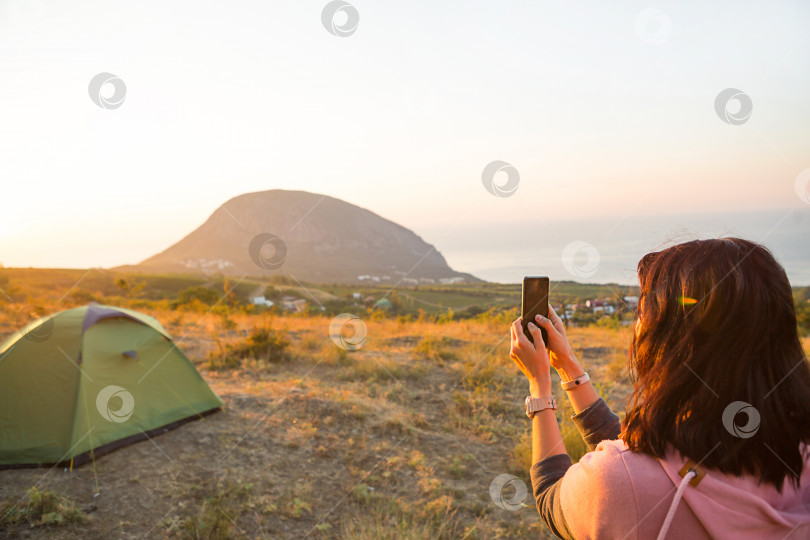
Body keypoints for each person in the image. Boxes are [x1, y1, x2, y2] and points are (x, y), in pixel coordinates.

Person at [509, 237, 810, 539]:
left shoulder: (619, 484)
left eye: (643, 312)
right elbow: (651, 461)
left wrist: (540, 388)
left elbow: (552, 494)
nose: (637, 326)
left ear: (674, 342)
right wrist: (568, 367)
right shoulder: (792, 452)